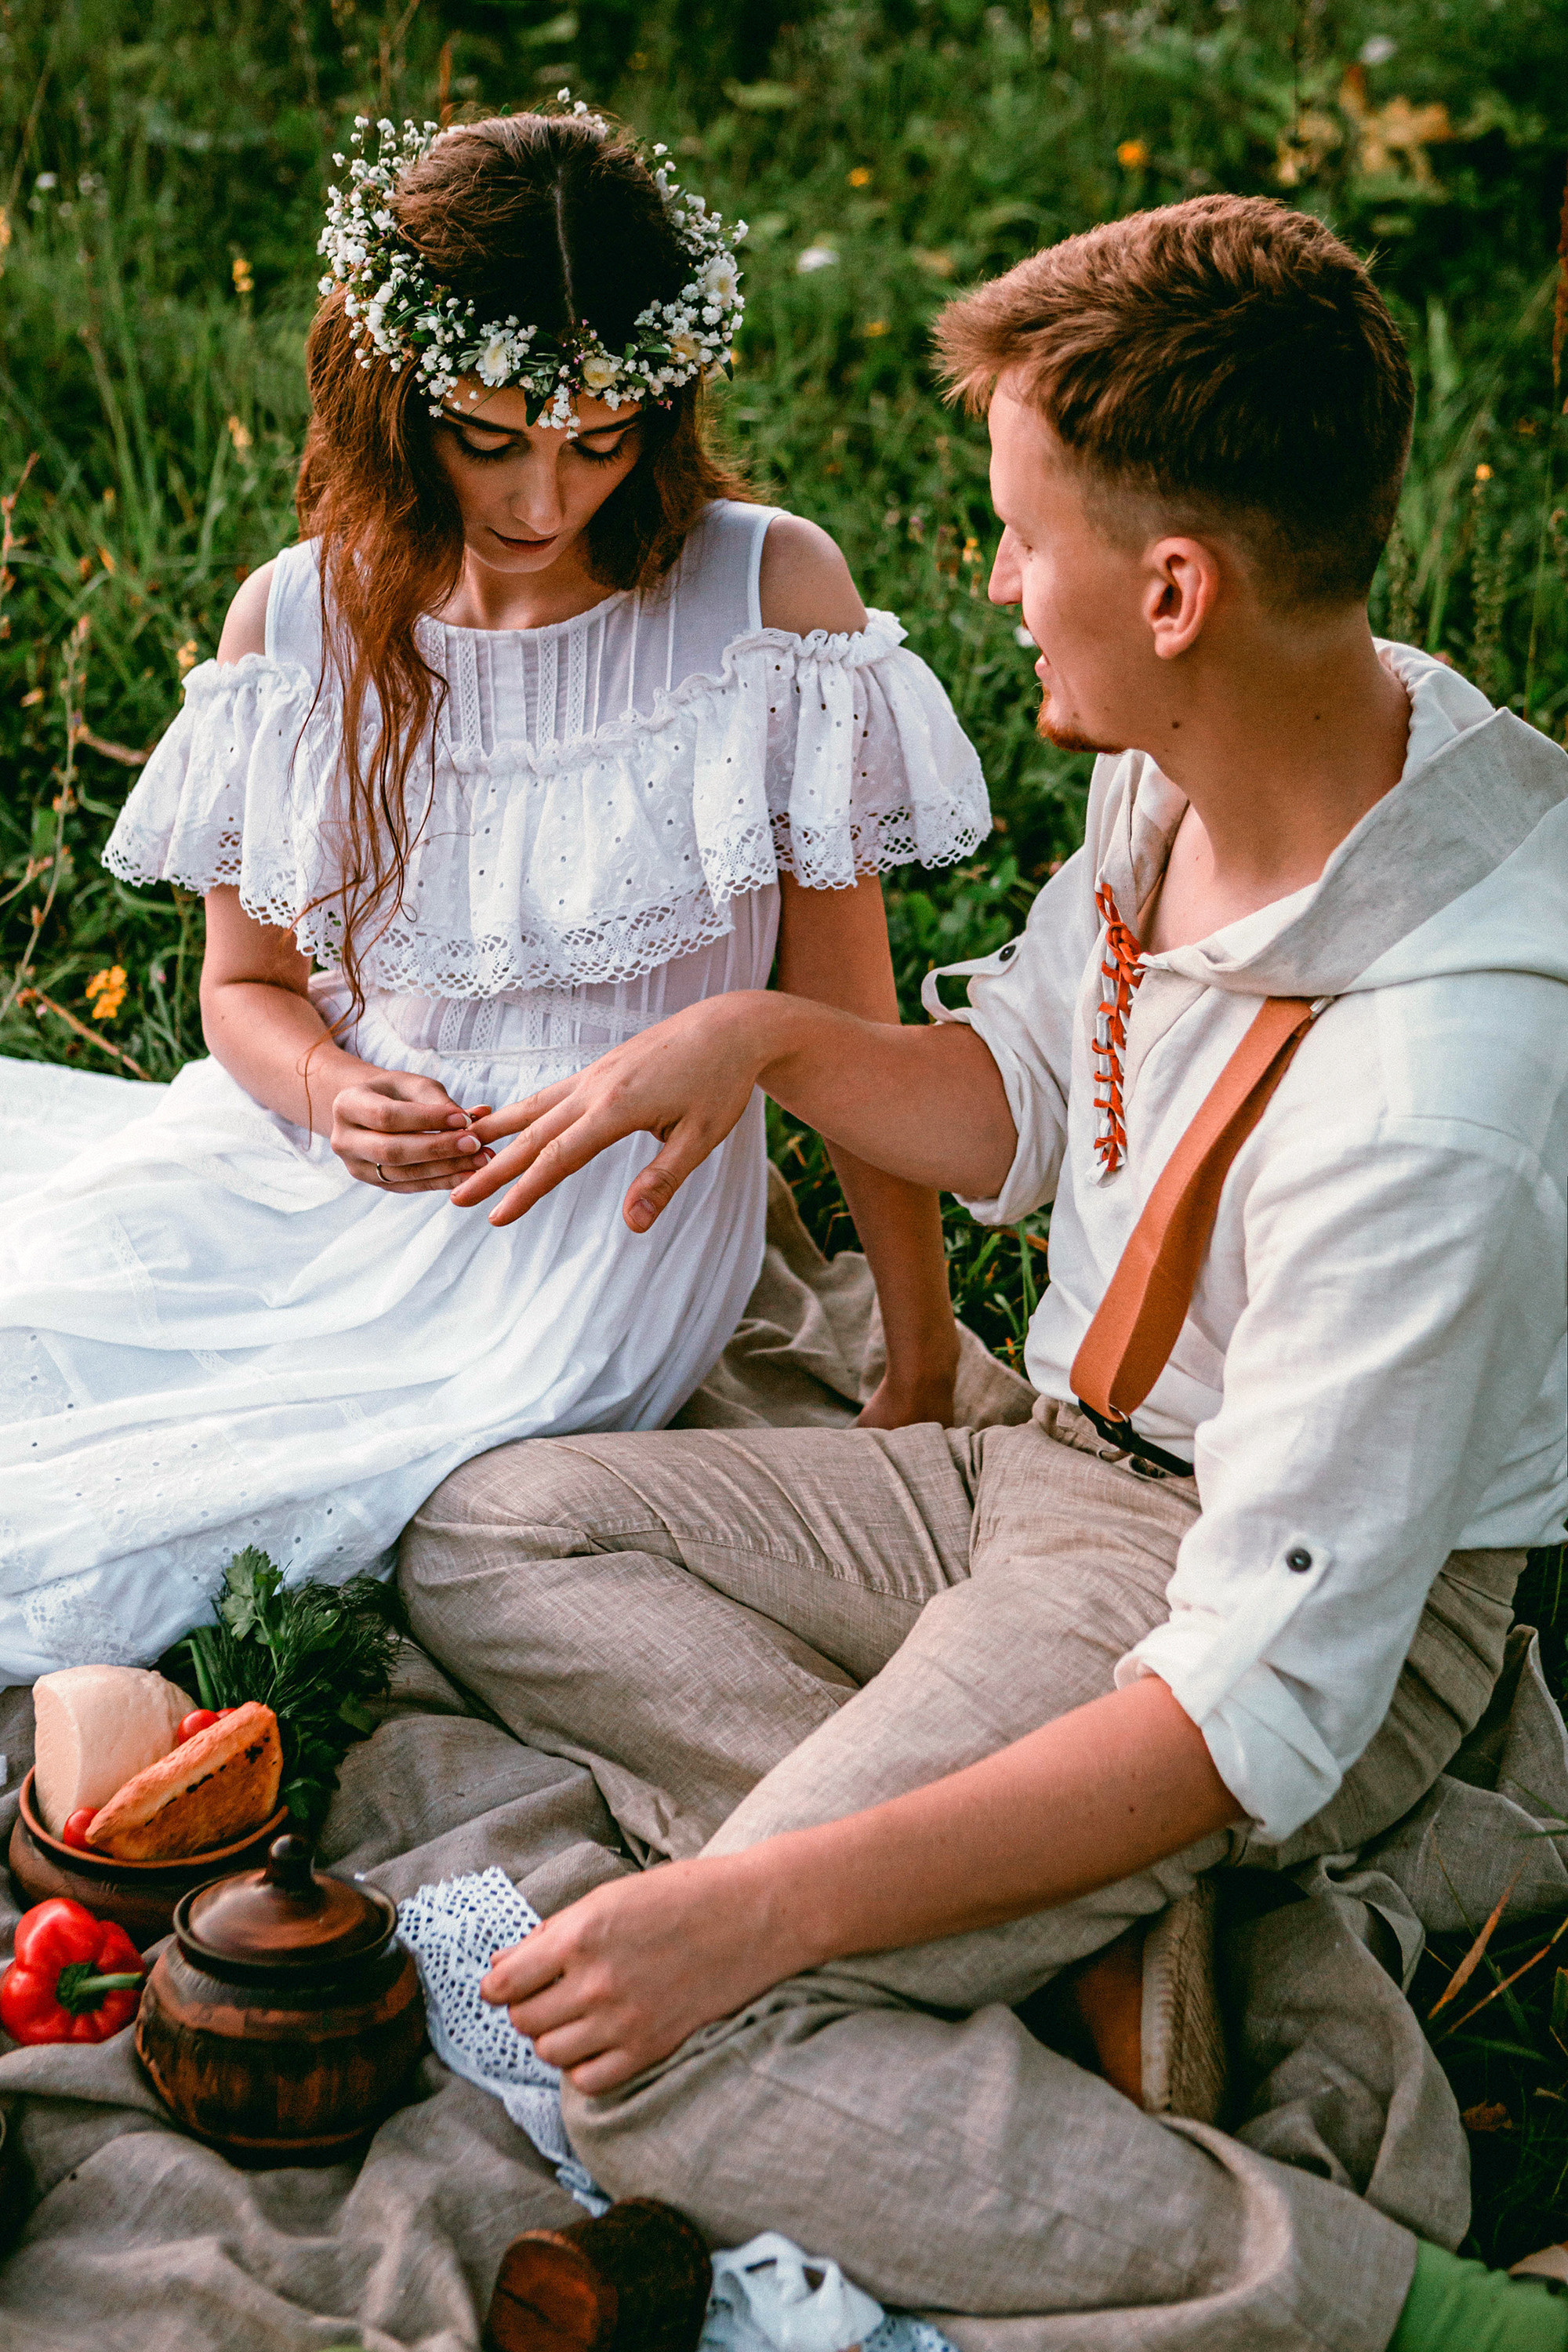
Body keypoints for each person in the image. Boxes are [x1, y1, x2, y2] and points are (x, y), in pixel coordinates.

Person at [401, 195, 1568, 2350]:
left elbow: (1250, 1710)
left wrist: (751, 1913)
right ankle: (1050, 1916)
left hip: (1247, 1616)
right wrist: (766, 1038)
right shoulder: (1246, 751)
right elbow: (1035, 1096)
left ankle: (1407, 2310)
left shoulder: (1438, 1089)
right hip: (1047, 1466)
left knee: (663, 2053)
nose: (1000, 578)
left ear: (1178, 586)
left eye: (1027, 536)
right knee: (495, 1529)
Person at [0, 105, 987, 1685]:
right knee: (42, 1341)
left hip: (582, 1252)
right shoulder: (301, 618)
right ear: (392, 400)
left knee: (206, 1518)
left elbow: (847, 1017)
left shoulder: (763, 595)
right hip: (319, 1176)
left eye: (601, 441)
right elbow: (243, 991)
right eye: (489, 437)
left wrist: (920, 1353)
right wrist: (329, 1089)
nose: (544, 497)